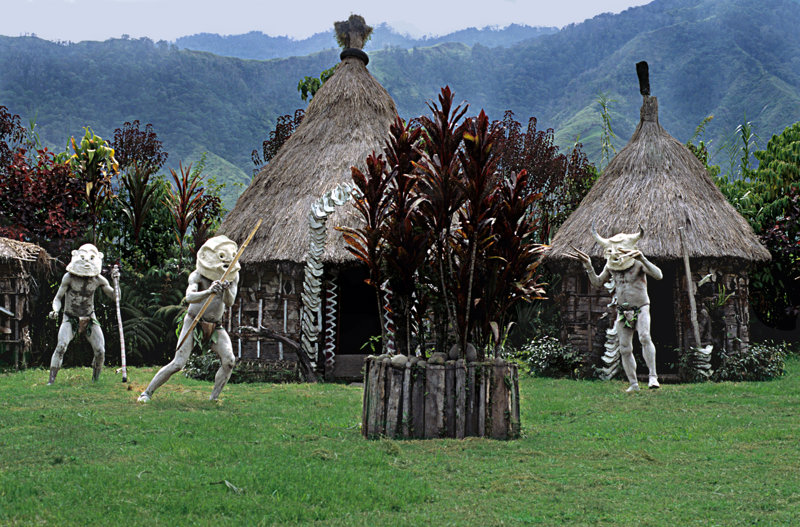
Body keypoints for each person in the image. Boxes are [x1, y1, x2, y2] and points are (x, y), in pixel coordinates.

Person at [138, 236, 240, 402]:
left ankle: (213, 399)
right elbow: (189, 297)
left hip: (215, 326)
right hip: (194, 322)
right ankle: (147, 393)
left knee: (229, 360)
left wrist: (226, 290)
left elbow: (230, 302)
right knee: (178, 363)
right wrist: (209, 291)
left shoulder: (233, 276)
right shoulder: (197, 275)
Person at [571, 225, 663, 392]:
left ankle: (653, 376)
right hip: (622, 310)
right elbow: (598, 283)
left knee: (644, 337)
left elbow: (658, 275)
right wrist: (589, 266)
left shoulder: (637, 264)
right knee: (624, 347)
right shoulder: (610, 266)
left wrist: (643, 259)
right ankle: (633, 384)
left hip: (641, 307)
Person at [48, 244, 118, 384]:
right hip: (70, 317)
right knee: (61, 346)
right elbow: (57, 298)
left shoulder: (98, 279)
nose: (86, 262)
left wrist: (116, 283)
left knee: (100, 351)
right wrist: (55, 310)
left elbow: (116, 297)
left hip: (89, 317)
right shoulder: (69, 277)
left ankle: (95, 380)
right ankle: (51, 381)